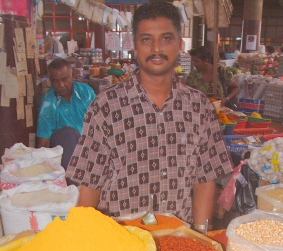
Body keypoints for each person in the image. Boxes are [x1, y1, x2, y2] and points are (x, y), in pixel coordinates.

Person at [66, 1, 233, 232]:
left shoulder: (199, 108)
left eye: (166, 38)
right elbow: (90, 184)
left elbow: (205, 179)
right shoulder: (105, 107)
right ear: (135, 45)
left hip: (179, 243)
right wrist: (80, 237)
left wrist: (200, 233)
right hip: (122, 244)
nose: (156, 48)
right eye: (146, 39)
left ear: (179, 44)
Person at [36, 58, 96, 173]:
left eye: (65, 79)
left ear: (72, 75)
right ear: (50, 81)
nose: (61, 85)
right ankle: (74, 180)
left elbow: (100, 122)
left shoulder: (86, 92)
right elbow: (43, 142)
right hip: (65, 153)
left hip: (88, 148)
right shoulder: (48, 103)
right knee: (69, 134)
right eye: (55, 81)